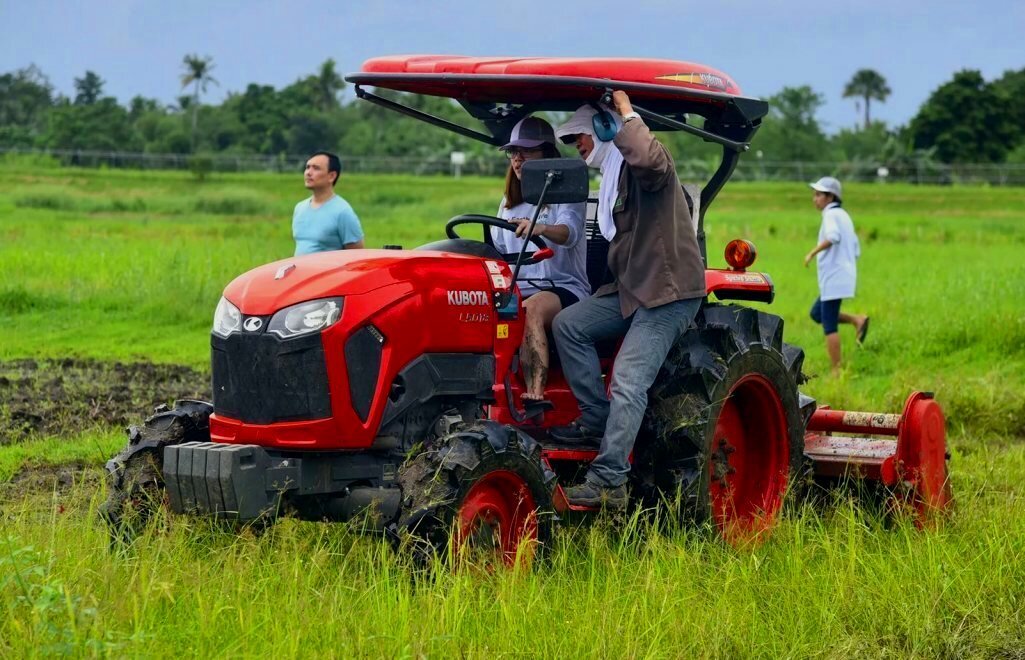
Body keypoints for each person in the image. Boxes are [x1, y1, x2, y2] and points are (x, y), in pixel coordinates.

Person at [550, 91, 705, 509]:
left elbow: (652, 161)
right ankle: (597, 423)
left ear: (603, 128)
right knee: (569, 325)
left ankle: (609, 481)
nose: (575, 145)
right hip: (632, 290)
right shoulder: (611, 177)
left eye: (578, 135)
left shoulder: (643, 166)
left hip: (665, 293)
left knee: (628, 379)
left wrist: (626, 114)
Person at [491, 116, 589, 403]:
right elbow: (497, 248)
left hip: (563, 288)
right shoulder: (509, 203)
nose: (518, 159)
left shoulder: (567, 195)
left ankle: (534, 397)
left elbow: (569, 234)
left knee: (530, 309)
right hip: (517, 288)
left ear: (547, 154)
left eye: (526, 151)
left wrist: (541, 228)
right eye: (513, 152)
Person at [804, 176, 869, 375]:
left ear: (830, 196)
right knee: (817, 314)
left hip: (834, 276)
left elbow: (833, 237)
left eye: (818, 195)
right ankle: (857, 320)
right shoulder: (844, 215)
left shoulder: (830, 215)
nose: (815, 199)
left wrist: (812, 253)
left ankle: (836, 370)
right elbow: (856, 249)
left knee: (829, 324)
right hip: (842, 274)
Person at [293, 151, 364, 255]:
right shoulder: (299, 208)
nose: (309, 172)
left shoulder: (342, 212)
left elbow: (357, 256)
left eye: (316, 168)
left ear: (332, 176)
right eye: (307, 167)